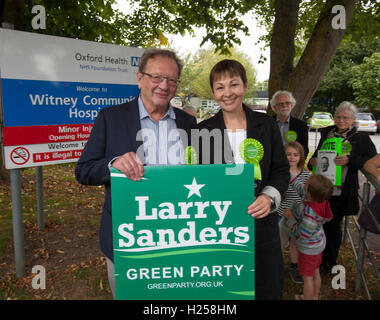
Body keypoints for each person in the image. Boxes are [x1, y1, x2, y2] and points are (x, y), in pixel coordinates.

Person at [75, 48, 197, 298]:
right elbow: (84, 171)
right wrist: (114, 163)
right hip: (127, 238)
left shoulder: (188, 122)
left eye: (172, 80)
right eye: (157, 77)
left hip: (180, 235)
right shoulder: (111, 117)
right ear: (140, 78)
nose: (164, 85)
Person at [196, 59, 290, 299]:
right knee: (225, 292)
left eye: (234, 84)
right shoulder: (203, 131)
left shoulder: (267, 125)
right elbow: (197, 179)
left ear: (245, 86)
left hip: (261, 226)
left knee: (265, 289)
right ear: (214, 92)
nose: (227, 93)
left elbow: (280, 169)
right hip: (217, 229)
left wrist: (269, 197)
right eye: (220, 87)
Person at [308, 101, 377, 273]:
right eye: (338, 116)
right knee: (317, 224)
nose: (341, 120)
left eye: (345, 117)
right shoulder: (327, 133)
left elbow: (370, 161)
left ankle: (329, 263)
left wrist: (350, 160)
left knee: (332, 227)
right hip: (320, 188)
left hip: (341, 191)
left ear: (353, 119)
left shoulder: (361, 138)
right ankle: (315, 259)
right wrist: (312, 162)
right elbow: (316, 156)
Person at [284, 174, 334, 300]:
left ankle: (307, 297)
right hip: (318, 244)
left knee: (307, 278)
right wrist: (288, 174)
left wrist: (290, 218)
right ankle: (315, 296)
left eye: (306, 186)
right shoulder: (321, 200)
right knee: (315, 271)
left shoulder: (310, 215)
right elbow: (299, 186)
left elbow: (303, 234)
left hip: (309, 249)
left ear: (309, 194)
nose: (303, 186)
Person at [278, 141, 310, 284]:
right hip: (281, 212)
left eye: (295, 155)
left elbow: (308, 195)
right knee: (278, 240)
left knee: (294, 242)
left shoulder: (306, 174)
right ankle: (276, 266)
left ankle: (294, 266)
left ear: (301, 157)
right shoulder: (279, 173)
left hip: (298, 215)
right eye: (288, 154)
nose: (291, 157)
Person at [270, 90, 309, 157]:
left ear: (292, 105)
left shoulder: (301, 125)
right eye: (280, 104)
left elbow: (304, 149)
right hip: (272, 164)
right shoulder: (267, 123)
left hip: (292, 164)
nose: (284, 106)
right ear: (274, 107)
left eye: (287, 103)